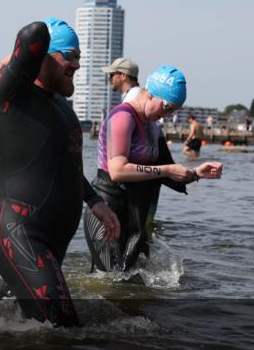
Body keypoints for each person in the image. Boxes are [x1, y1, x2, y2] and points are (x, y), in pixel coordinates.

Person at [0, 19, 120, 327]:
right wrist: (20, 58)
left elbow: (65, 166)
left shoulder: (61, 106)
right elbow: (33, 32)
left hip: (53, 243)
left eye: (79, 57)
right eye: (70, 55)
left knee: (19, 324)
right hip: (22, 234)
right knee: (63, 329)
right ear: (43, 56)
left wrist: (95, 201)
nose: (77, 65)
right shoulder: (12, 97)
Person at [84, 67, 223, 272]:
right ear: (150, 93)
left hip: (135, 214)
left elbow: (167, 169)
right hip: (109, 209)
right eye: (166, 107)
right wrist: (166, 170)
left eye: (172, 111)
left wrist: (195, 174)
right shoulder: (123, 117)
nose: (165, 115)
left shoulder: (153, 127)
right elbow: (117, 170)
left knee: (133, 278)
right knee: (110, 281)